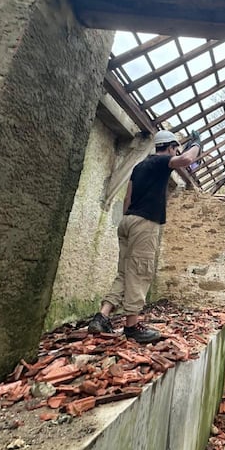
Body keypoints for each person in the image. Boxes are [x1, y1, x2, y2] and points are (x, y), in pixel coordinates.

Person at [88, 129, 202, 344]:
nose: (176, 153)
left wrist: (128, 221)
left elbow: (128, 197)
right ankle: (132, 327)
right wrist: (196, 144)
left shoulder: (139, 166)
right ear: (169, 147)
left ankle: (102, 316)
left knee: (124, 272)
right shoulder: (161, 162)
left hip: (128, 221)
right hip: (144, 223)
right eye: (175, 149)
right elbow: (187, 159)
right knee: (140, 271)